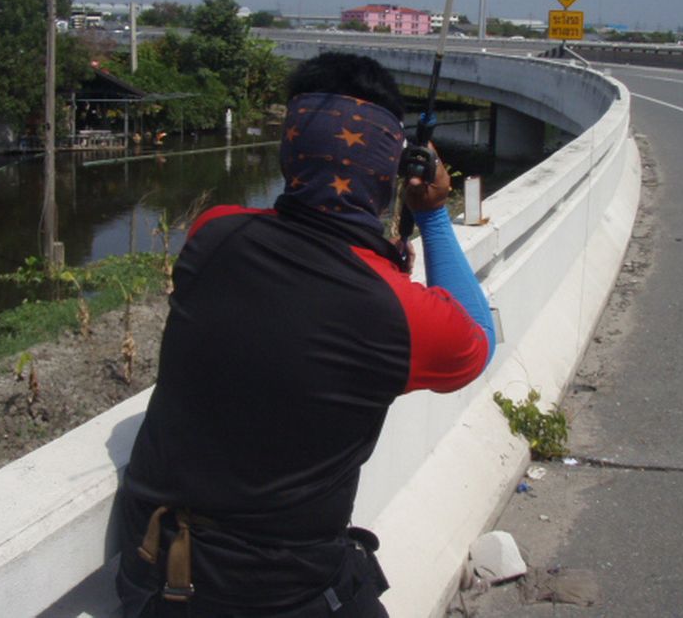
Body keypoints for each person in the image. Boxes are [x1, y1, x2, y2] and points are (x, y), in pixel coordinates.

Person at [116, 52, 496, 617]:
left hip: (153, 571)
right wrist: (434, 215)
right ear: (388, 166)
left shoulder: (211, 235)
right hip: (281, 594)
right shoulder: (402, 316)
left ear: (291, 150)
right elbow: (478, 339)